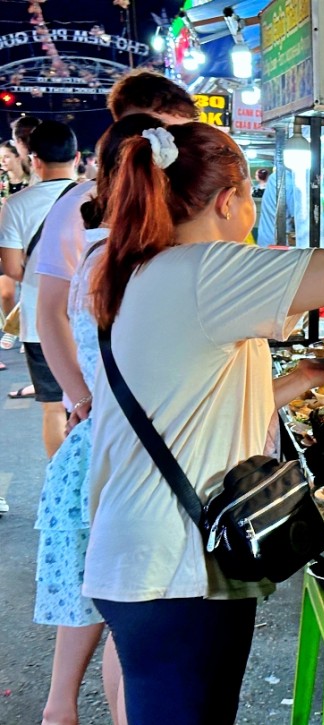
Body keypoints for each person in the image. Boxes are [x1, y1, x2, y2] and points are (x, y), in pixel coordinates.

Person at [82, 122, 324, 724]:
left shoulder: (151, 269)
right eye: (251, 197)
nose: (251, 212)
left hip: (168, 555)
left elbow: (195, 406)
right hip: (170, 567)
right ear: (228, 198)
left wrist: (306, 380)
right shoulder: (200, 270)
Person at [31, 72, 199, 725]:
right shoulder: (105, 218)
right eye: (175, 133)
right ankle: (63, 706)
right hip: (123, 445)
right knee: (130, 618)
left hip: (109, 443)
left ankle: (60, 707)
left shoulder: (117, 217)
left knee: (105, 599)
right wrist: (82, 400)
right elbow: (50, 313)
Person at [0, 121, 77, 449]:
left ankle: (60, 488)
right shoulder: (97, 197)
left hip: (41, 321)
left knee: (53, 408)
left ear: (35, 161)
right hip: (93, 316)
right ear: (76, 158)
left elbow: (12, 267)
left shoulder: (16, 205)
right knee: (100, 403)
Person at [1, 133, 37, 354]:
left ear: (17, 157)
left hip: (29, 242)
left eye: (6, 157)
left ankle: (26, 329)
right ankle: (13, 328)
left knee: (30, 288)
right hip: (7, 240)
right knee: (6, 292)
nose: (2, 162)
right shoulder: (1, 181)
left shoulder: (32, 181)